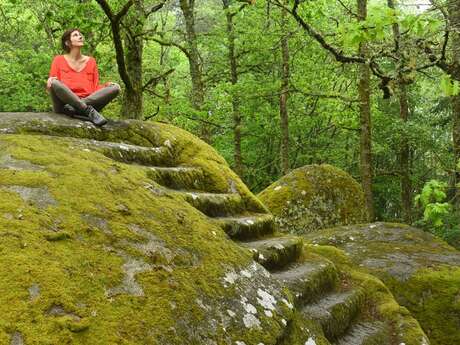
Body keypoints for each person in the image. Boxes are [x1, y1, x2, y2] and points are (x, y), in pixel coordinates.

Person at [47, 28, 120, 126]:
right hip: (64, 105)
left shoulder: (91, 61)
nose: (80, 37)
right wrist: (50, 81)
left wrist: (107, 85)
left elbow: (95, 87)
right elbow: (53, 86)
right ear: (67, 43)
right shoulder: (58, 60)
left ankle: (78, 107)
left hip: (82, 104)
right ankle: (87, 110)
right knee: (54, 82)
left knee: (116, 88)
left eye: (80, 35)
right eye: (75, 35)